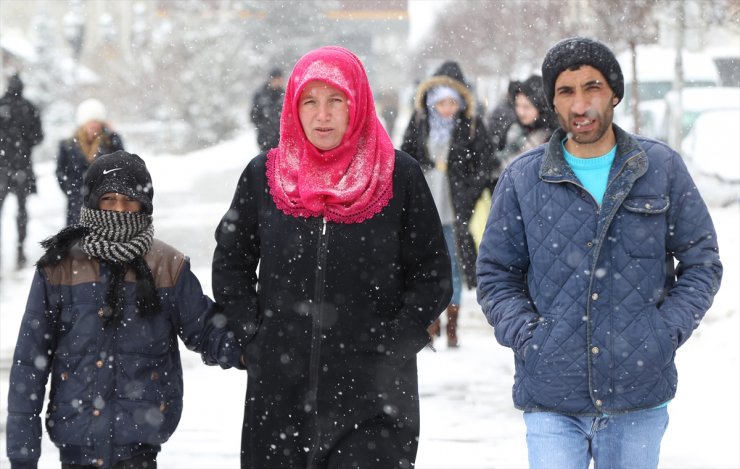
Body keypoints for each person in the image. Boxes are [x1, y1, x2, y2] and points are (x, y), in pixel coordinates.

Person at [476, 37, 723, 469]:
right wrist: (531, 338)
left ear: (615, 93)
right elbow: (496, 274)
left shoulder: (660, 168)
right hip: (551, 393)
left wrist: (662, 332)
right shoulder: (522, 178)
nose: (580, 104)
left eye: (592, 87)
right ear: (552, 101)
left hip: (638, 392)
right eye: (566, 91)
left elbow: (702, 262)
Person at [212, 45, 452, 468]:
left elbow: (432, 273)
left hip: (375, 400)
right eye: (310, 101)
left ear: (356, 104)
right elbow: (231, 263)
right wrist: (254, 337)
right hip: (279, 398)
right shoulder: (263, 177)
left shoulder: (399, 176)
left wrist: (394, 344)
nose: (322, 115)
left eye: (335, 100)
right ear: (293, 106)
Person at [6, 151, 243, 469]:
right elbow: (28, 365)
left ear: (144, 206)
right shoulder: (59, 267)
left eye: (129, 201)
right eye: (109, 199)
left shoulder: (166, 266)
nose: (119, 209)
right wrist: (23, 455)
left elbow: (205, 329)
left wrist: (251, 350)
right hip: (76, 443)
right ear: (93, 202)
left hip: (139, 445)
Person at [401, 60, 494, 348]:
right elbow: (404, 159)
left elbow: (483, 165)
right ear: (432, 101)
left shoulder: (471, 127)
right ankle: (430, 323)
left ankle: (452, 326)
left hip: (455, 210)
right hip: (423, 207)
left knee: (452, 266)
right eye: (443, 102)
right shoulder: (419, 124)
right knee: (423, 266)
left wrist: (467, 192)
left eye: (453, 102)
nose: (448, 108)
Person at [57, 98, 124, 226]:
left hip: (105, 206)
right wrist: (72, 191)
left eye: (97, 122)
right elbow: (60, 171)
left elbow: (123, 163)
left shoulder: (110, 142)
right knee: (76, 241)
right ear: (83, 123)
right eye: (90, 122)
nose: (94, 126)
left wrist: (113, 135)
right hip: (77, 204)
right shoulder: (68, 145)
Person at [0, 73, 44, 269]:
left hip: (2, 167)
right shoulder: (29, 107)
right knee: (22, 210)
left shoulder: (1, 105)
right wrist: (23, 145)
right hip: (22, 167)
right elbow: (38, 137)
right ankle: (19, 250)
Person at [495, 74, 557, 170]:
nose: (520, 112)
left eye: (526, 107)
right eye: (518, 105)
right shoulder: (513, 128)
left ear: (541, 108)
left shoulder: (552, 137)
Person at [250, 66, 285, 152]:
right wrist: (264, 128)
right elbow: (253, 116)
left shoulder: (284, 94)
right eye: (276, 79)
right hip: (265, 139)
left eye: (280, 79)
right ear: (271, 79)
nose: (278, 81)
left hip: (280, 140)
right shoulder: (260, 95)